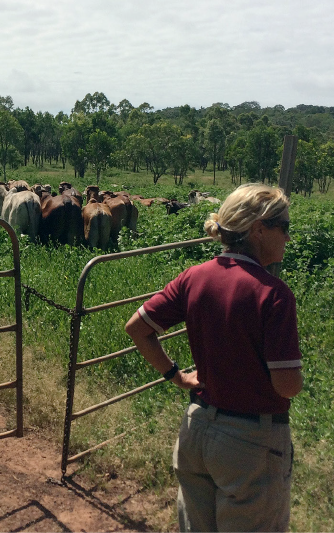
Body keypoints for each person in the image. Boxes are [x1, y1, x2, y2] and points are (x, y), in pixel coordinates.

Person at [124, 182, 302, 532]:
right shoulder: (274, 294)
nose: (288, 238)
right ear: (258, 229)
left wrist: (176, 376)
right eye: (284, 227)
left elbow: (137, 328)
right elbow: (287, 387)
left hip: (198, 430)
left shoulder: (195, 277)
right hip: (250, 444)